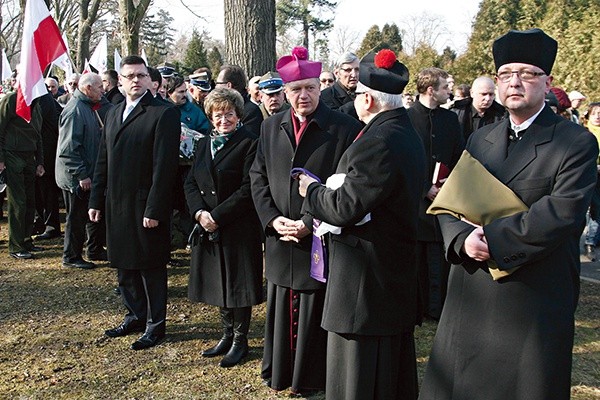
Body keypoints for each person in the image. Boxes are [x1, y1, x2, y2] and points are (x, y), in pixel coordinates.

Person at [420, 28, 599, 400]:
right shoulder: (480, 138)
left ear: (547, 82)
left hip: (531, 295)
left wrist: (493, 241)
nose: (514, 82)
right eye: (505, 74)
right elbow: (451, 199)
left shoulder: (575, 142)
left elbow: (562, 213)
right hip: (471, 291)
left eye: (527, 73)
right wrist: (461, 238)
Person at [297, 48, 426, 400]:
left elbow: (342, 208)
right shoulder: (404, 130)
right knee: (387, 371)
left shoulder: (378, 141)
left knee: (356, 373)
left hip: (365, 280)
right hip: (389, 272)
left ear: (367, 99)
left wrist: (313, 191)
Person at [250, 46, 362, 394]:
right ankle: (281, 370)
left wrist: (308, 220)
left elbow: (345, 180)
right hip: (280, 238)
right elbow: (257, 175)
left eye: (310, 88)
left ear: (319, 87)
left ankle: (311, 376)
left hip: (320, 237)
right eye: (296, 90)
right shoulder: (271, 126)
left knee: (315, 306)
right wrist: (271, 219)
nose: (303, 96)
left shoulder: (344, 127)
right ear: (285, 92)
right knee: (282, 302)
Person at [89, 55, 180, 350]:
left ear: (150, 79)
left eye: (140, 75)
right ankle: (134, 315)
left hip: (145, 205)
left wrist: (155, 208)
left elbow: (164, 166)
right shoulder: (113, 112)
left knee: (150, 266)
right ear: (121, 80)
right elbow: (103, 159)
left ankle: (155, 324)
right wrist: (96, 200)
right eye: (129, 76)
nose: (135, 81)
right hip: (116, 203)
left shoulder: (163, 113)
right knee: (124, 264)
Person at [185, 87, 262, 368]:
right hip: (208, 225)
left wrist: (216, 215)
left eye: (229, 114)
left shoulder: (250, 143)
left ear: (238, 115)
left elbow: (248, 188)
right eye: (218, 115)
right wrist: (199, 213)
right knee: (219, 281)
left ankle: (241, 341)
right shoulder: (204, 143)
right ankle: (226, 335)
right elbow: (191, 182)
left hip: (238, 227)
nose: (223, 120)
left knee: (238, 285)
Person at [408, 67, 464, 321]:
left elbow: (459, 157)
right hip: (414, 204)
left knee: (439, 258)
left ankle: (438, 308)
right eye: (445, 87)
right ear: (431, 90)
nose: (449, 91)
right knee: (415, 258)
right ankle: (417, 307)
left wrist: (448, 185)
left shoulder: (451, 119)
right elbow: (399, 160)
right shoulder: (406, 118)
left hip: (444, 200)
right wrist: (423, 187)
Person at [56, 72, 109, 270]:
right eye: (100, 88)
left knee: (85, 214)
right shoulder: (75, 110)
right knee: (76, 217)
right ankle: (71, 256)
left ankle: (93, 249)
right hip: (75, 177)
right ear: (88, 89)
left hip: (86, 172)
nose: (103, 92)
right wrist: (82, 175)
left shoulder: (87, 107)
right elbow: (68, 149)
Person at [0, 86, 45, 259]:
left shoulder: (37, 103)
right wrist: (1, 159)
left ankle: (26, 240)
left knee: (30, 200)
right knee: (18, 202)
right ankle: (16, 245)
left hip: (30, 158)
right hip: (12, 155)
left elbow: (38, 135)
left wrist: (40, 161)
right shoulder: (11, 100)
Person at [451, 76, 506, 141]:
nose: (488, 99)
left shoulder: (502, 115)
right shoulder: (456, 113)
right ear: (472, 93)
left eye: (491, 94)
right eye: (483, 94)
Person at [215, 65, 263, 137]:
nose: (216, 87)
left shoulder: (251, 112)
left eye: (218, 83)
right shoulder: (218, 108)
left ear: (229, 85)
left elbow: (248, 141)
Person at [583, 102, 600, 261]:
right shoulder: (583, 132)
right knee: (595, 209)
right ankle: (589, 242)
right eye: (595, 113)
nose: (598, 116)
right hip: (591, 174)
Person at [320, 52, 360, 118]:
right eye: (348, 70)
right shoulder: (325, 96)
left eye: (357, 69)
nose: (354, 74)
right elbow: (333, 119)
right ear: (337, 73)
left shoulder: (365, 92)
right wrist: (357, 102)